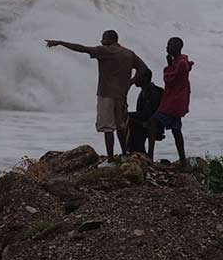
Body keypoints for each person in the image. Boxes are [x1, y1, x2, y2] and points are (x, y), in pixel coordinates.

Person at [46, 30, 148, 166]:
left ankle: (110, 160)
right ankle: (124, 155)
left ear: (109, 39)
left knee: (107, 128)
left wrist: (60, 42)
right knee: (121, 127)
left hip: (106, 94)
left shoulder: (104, 51)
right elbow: (143, 68)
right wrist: (130, 82)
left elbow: (82, 49)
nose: (101, 41)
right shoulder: (128, 53)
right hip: (121, 95)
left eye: (103, 38)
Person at [148, 37, 193, 165]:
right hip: (177, 101)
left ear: (177, 47)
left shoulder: (181, 63)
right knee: (176, 129)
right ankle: (183, 160)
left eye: (169, 44)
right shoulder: (180, 62)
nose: (167, 47)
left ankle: (150, 156)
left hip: (174, 101)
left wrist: (168, 66)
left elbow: (171, 80)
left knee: (153, 122)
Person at [126, 70, 164, 154]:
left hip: (153, 125)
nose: (135, 78)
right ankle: (135, 151)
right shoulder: (144, 92)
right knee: (125, 119)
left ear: (145, 78)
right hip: (146, 123)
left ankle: (137, 152)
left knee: (125, 118)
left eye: (138, 76)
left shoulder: (152, 93)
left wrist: (127, 115)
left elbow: (148, 114)